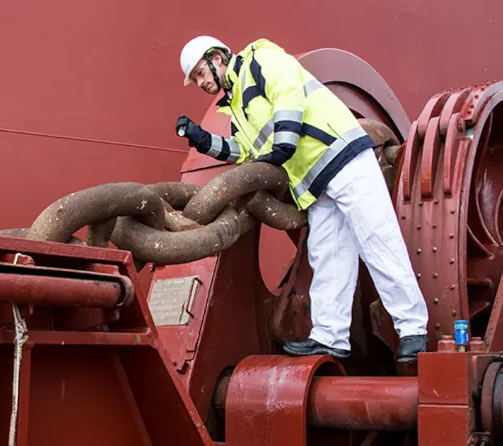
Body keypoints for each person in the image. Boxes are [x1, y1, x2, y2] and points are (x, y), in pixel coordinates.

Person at [176, 36, 429, 362]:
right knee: (328, 258)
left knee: (378, 242)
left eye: (200, 73)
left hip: (342, 157)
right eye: (197, 79)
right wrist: (201, 139)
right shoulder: (237, 106)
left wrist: (284, 141)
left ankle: (413, 330)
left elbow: (288, 92)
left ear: (216, 57)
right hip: (314, 182)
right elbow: (245, 152)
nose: (202, 83)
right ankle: (330, 337)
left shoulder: (260, 60)